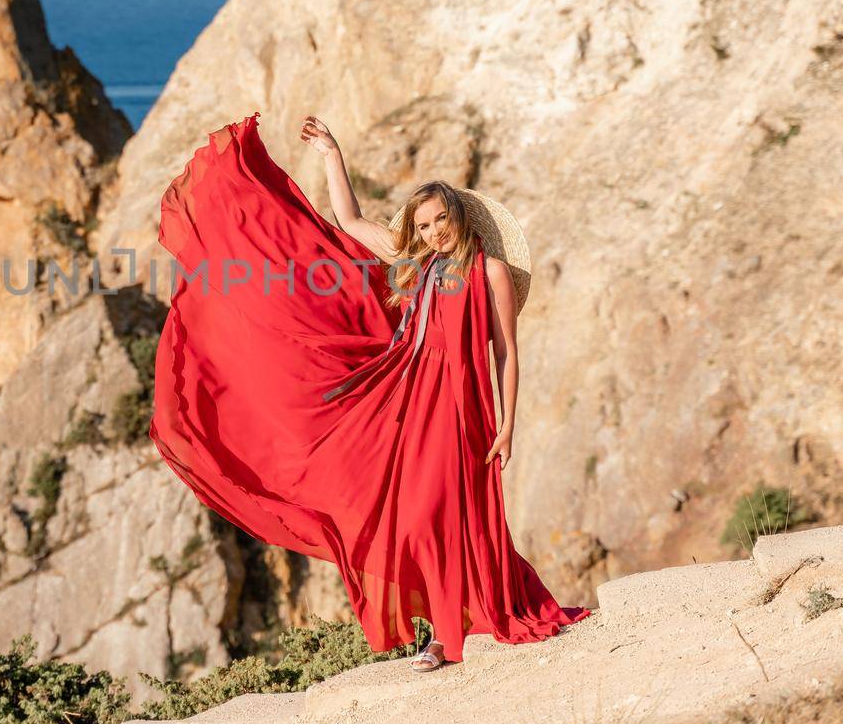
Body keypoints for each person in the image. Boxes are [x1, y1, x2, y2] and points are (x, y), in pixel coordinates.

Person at [150, 111, 591, 673]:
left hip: (464, 407)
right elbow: (351, 220)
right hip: (406, 398)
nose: (434, 233)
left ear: (460, 216)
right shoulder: (416, 265)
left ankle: (454, 629)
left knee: (449, 515)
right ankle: (442, 626)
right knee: (413, 518)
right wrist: (333, 154)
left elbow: (504, 351)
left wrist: (508, 423)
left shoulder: (492, 273)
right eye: (425, 225)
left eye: (440, 221)